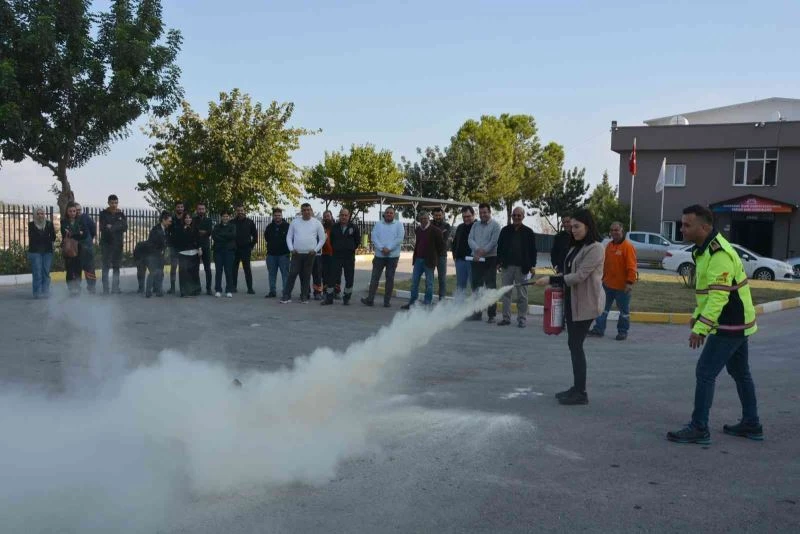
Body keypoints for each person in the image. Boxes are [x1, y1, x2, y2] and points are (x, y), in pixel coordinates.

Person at [667, 204, 761, 445]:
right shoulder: (706, 249)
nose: (682, 229)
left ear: (705, 227)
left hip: (729, 324)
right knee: (740, 373)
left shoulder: (719, 254)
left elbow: (719, 297)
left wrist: (701, 328)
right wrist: (698, 315)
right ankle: (751, 424)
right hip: (737, 323)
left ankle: (699, 427)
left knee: (705, 373)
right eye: (682, 224)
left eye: (687, 225)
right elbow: (707, 293)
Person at [534, 209, 604, 405]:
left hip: (586, 303)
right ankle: (576, 388)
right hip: (572, 301)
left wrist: (552, 279)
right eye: (571, 226)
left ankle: (581, 393)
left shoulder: (596, 248)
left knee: (576, 345)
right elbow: (567, 270)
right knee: (573, 345)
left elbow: (580, 276)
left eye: (577, 226)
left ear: (587, 226)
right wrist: (555, 283)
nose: (572, 230)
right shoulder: (576, 247)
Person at [588, 221, 637, 340]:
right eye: (612, 230)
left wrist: (629, 283)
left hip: (622, 287)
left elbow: (632, 267)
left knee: (624, 312)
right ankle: (599, 329)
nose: (614, 232)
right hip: (607, 285)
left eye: (617, 230)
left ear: (622, 231)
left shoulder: (628, 247)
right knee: (602, 309)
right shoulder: (609, 246)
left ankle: (622, 331)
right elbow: (604, 264)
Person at [497, 207, 538, 328]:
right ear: (511, 216)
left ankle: (522, 319)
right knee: (506, 293)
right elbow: (499, 248)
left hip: (522, 268)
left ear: (523, 217)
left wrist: (532, 266)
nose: (516, 217)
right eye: (514, 215)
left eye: (519, 215)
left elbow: (533, 251)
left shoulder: (529, 232)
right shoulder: (505, 230)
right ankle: (506, 318)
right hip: (507, 267)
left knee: (522, 295)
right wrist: (498, 262)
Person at [281, 203, 325, 304]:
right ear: (301, 211)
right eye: (304, 210)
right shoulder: (295, 222)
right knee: (292, 274)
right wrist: (291, 249)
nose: (306, 212)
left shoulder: (317, 223)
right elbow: (289, 237)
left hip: (310, 254)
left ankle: (304, 296)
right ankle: (286, 296)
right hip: (296, 254)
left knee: (306, 276)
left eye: (308, 210)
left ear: (311, 210)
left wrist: (315, 250)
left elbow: (322, 239)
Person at [401, 211, 444, 310]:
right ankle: (412, 302)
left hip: (429, 261)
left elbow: (441, 247)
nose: (423, 220)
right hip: (418, 260)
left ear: (428, 218)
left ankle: (427, 303)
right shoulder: (418, 230)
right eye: (421, 219)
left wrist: (434, 257)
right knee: (414, 282)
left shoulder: (436, 231)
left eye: (425, 218)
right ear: (419, 220)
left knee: (429, 283)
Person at [362, 206, 405, 308]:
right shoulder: (378, 224)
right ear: (384, 214)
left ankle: (387, 301)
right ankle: (370, 299)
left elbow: (399, 239)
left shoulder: (399, 225)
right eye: (387, 212)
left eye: (391, 213)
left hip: (393, 256)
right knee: (374, 278)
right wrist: (382, 248)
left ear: (394, 215)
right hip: (379, 256)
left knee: (390, 279)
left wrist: (389, 248)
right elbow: (374, 237)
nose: (389, 214)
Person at [467, 203, 502, 322]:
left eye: (485, 212)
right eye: (481, 212)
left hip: (490, 259)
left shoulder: (496, 226)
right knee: (476, 286)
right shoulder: (475, 225)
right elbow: (470, 239)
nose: (483, 215)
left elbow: (494, 242)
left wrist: (483, 251)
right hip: (476, 259)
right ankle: (477, 313)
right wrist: (477, 250)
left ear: (489, 212)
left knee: (490, 287)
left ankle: (491, 315)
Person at [325, 208, 360, 305]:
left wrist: (350, 248)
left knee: (349, 278)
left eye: (346, 215)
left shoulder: (354, 227)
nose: (344, 217)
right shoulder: (334, 227)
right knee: (332, 277)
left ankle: (347, 298)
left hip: (349, 257)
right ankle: (329, 298)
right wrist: (337, 247)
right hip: (336, 256)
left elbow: (357, 241)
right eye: (342, 215)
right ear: (339, 216)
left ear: (349, 216)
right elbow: (331, 240)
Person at [98, 194, 127, 294]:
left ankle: (115, 288)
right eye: (112, 203)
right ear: (108, 203)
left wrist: (112, 226)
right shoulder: (103, 214)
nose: (114, 205)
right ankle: (106, 289)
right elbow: (103, 228)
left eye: (116, 202)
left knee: (116, 267)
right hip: (106, 244)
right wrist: (117, 225)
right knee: (105, 267)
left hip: (118, 245)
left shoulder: (121, 214)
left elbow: (125, 227)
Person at [27, 207, 56, 299]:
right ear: (35, 215)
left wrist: (43, 237)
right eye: (38, 213)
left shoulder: (49, 224)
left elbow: (53, 237)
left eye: (42, 213)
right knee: (37, 273)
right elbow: (33, 238)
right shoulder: (31, 225)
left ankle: (45, 292)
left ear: (44, 215)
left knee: (45, 272)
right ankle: (37, 293)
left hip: (47, 251)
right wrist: (45, 237)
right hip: (35, 252)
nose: (40, 215)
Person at [173, 212, 202, 297]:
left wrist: (200, 248)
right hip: (183, 253)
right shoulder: (179, 228)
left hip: (194, 253)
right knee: (184, 273)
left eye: (190, 218)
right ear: (183, 219)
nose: (188, 219)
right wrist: (184, 230)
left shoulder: (195, 228)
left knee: (194, 272)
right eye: (186, 218)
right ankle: (184, 292)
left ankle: (194, 290)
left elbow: (198, 239)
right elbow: (177, 240)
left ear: (192, 219)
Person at [264, 207, 291, 298]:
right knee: (271, 274)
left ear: (282, 216)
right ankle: (272, 291)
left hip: (284, 254)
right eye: (275, 215)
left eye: (279, 215)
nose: (277, 217)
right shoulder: (269, 227)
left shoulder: (287, 226)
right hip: (271, 255)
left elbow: (291, 239)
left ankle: (286, 292)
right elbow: (266, 238)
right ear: (273, 216)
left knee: (285, 274)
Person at [60, 202, 86, 296]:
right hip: (68, 249)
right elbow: (65, 232)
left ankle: (78, 287)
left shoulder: (80, 221)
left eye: (74, 211)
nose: (72, 213)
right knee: (70, 269)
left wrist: (73, 233)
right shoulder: (63, 221)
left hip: (79, 248)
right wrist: (78, 232)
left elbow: (85, 234)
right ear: (67, 212)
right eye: (70, 211)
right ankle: (71, 288)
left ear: (76, 212)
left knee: (78, 269)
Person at [145, 211, 172, 298]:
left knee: (160, 273)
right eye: (169, 221)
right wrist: (158, 252)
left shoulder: (166, 230)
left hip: (161, 255)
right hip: (153, 255)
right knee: (153, 272)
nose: (170, 223)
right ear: (164, 220)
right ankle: (148, 291)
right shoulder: (155, 230)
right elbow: (151, 243)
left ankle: (158, 290)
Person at [232, 205, 257, 294]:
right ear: (236, 211)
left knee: (247, 269)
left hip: (246, 249)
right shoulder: (232, 222)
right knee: (233, 269)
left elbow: (255, 236)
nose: (240, 212)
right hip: (234, 249)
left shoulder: (250, 222)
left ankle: (250, 288)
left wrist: (251, 246)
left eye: (242, 210)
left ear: (244, 211)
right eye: (238, 210)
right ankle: (233, 287)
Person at [451, 206, 475, 302]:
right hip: (460, 261)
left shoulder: (477, 226)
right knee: (460, 286)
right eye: (464, 216)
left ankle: (475, 311)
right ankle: (459, 310)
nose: (466, 219)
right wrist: (455, 256)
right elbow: (455, 242)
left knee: (474, 286)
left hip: (473, 262)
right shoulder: (460, 227)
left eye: (468, 216)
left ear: (473, 215)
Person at [212, 209, 237, 298]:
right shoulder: (216, 226)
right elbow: (214, 236)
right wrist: (226, 237)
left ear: (229, 217)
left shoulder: (233, 226)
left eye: (227, 216)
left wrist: (221, 235)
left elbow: (233, 236)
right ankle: (218, 290)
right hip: (218, 251)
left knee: (228, 271)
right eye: (223, 216)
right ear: (221, 217)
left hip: (229, 251)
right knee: (218, 271)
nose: (225, 218)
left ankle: (229, 290)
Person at [74, 203, 97, 293]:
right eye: (77, 210)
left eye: (80, 209)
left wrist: (89, 239)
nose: (79, 211)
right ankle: (76, 288)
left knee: (89, 268)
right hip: (76, 248)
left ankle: (91, 287)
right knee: (77, 268)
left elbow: (93, 229)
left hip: (87, 247)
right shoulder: (72, 220)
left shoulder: (86, 217)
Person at [431, 207, 452, 302]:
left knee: (442, 279)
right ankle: (429, 299)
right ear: (433, 215)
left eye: (440, 215)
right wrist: (440, 234)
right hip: (430, 255)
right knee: (429, 278)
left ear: (443, 215)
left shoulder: (447, 226)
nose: (438, 217)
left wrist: (434, 236)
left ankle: (442, 301)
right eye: (436, 215)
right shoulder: (429, 224)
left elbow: (444, 241)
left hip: (442, 255)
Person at [193, 203, 214, 295]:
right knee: (195, 268)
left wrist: (200, 231)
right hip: (196, 246)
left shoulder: (209, 220)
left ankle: (208, 288)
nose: (201, 210)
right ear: (196, 210)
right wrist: (201, 231)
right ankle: (197, 288)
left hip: (206, 246)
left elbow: (209, 232)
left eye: (203, 209)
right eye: (199, 209)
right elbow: (194, 232)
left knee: (207, 269)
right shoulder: (193, 220)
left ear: (205, 210)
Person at [317, 210, 336, 301]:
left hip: (334, 254)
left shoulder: (336, 227)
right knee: (324, 275)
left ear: (331, 216)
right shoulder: (321, 227)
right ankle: (325, 292)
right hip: (324, 254)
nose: (326, 218)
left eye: (328, 216)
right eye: (325, 216)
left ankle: (335, 292)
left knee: (334, 274)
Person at [166, 201, 185, 294]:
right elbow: (167, 232)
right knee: (173, 267)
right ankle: (172, 287)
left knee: (183, 268)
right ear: (175, 208)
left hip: (183, 247)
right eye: (178, 207)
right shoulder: (171, 219)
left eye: (181, 207)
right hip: (173, 247)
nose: (180, 208)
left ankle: (183, 287)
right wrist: (169, 244)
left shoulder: (186, 219)